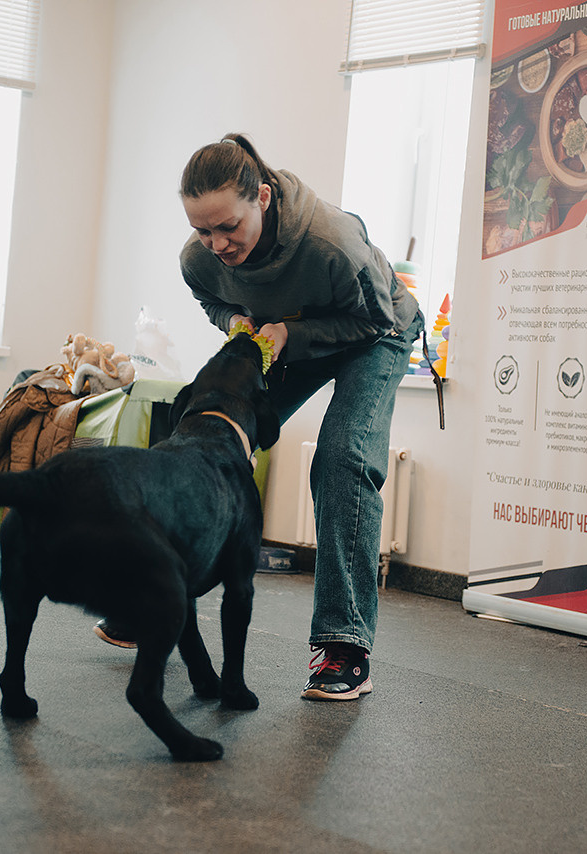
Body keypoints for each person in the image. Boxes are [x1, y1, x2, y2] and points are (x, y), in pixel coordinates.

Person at [97, 133, 422, 701]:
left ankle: (344, 645)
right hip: (283, 335)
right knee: (199, 424)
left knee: (343, 456)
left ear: (264, 198)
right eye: (203, 229)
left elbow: (372, 322)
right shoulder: (197, 260)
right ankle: (155, 592)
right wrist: (234, 324)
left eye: (229, 227)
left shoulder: (331, 243)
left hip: (375, 332)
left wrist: (292, 334)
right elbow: (214, 301)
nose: (217, 243)